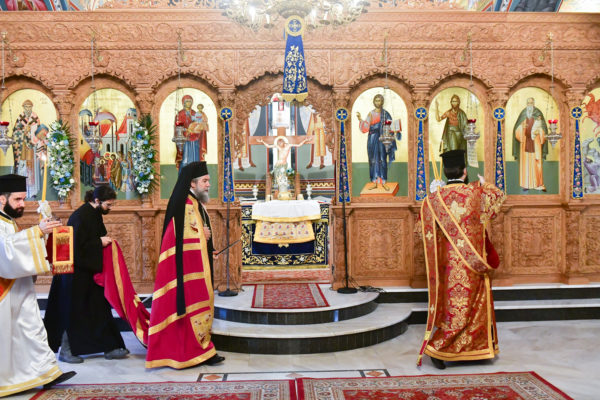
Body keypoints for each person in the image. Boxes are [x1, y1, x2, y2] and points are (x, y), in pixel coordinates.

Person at [417, 150, 506, 370]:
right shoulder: (475, 193)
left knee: (454, 308)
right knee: (473, 305)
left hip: (447, 265)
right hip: (473, 261)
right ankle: (438, 347)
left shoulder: (433, 199)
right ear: (464, 172)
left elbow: (422, 230)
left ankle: (471, 349)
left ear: (446, 173)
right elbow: (498, 197)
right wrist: (485, 183)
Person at [0, 174, 75, 397]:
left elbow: (18, 246)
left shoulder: (8, 220)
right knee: (10, 335)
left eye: (23, 199)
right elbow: (6, 250)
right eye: (18, 199)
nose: (22, 204)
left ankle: (47, 373)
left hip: (18, 286)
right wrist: (37, 232)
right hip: (5, 290)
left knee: (32, 328)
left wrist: (42, 234)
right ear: (2, 199)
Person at [146, 161, 225, 369]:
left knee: (197, 309)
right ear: (192, 182)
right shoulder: (185, 204)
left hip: (196, 266)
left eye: (208, 180)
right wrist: (203, 238)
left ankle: (201, 349)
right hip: (188, 271)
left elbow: (197, 235)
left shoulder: (194, 202)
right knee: (191, 310)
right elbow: (181, 239)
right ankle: (195, 351)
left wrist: (209, 250)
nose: (208, 185)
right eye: (205, 181)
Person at [44, 185, 129, 364]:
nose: (110, 208)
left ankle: (111, 347)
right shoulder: (81, 215)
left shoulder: (93, 213)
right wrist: (99, 242)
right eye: (108, 205)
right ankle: (66, 351)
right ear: (96, 200)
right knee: (73, 312)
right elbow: (75, 248)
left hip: (87, 270)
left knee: (99, 309)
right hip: (75, 274)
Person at [357, 93, 399, 191]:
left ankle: (383, 182)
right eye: (376, 100)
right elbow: (366, 127)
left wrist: (393, 130)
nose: (377, 102)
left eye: (379, 100)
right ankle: (375, 182)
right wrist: (360, 119)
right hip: (372, 139)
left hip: (383, 139)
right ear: (373, 102)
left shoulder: (385, 114)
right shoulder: (371, 114)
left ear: (382, 102)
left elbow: (390, 126)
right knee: (373, 160)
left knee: (382, 159)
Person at [513, 97, 548, 192]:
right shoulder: (523, 114)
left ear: (534, 104)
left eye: (531, 103)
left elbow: (544, 129)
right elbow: (516, 130)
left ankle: (538, 184)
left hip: (536, 143)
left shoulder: (538, 113)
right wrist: (522, 127)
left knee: (537, 163)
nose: (530, 105)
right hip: (525, 143)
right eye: (528, 103)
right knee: (526, 165)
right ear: (526, 104)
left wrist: (539, 132)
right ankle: (526, 184)